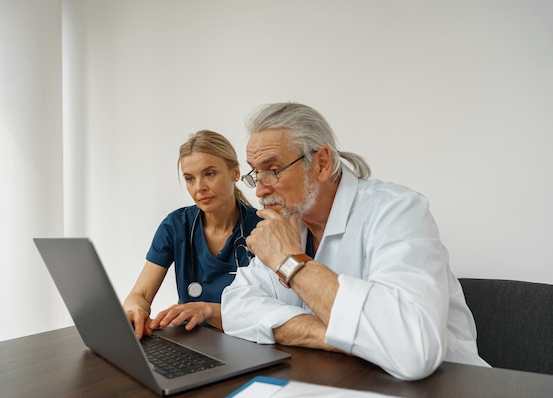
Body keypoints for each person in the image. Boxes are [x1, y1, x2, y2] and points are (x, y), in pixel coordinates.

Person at [221, 102, 489, 381]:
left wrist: (290, 262)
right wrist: (332, 334)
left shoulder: (397, 210)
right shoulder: (290, 222)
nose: (261, 190)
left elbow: (411, 351)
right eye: (256, 173)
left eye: (273, 170)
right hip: (345, 383)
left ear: (321, 164)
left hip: (453, 389)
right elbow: (235, 306)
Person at [123, 130, 260, 339]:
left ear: (235, 173)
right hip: (191, 343)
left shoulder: (263, 229)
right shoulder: (176, 226)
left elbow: (269, 313)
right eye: (189, 178)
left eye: (210, 174)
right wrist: (135, 309)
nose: (199, 188)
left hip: (247, 343)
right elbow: (140, 294)